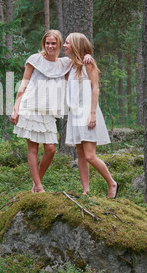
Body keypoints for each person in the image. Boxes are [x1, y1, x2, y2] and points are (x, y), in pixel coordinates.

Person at [10, 29, 92, 193]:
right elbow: (24, 84)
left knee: (51, 149)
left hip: (48, 112)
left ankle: (35, 184)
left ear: (60, 44)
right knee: (33, 148)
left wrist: (88, 55)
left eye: (54, 43)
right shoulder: (35, 60)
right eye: (47, 43)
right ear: (43, 43)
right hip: (30, 107)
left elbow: (80, 59)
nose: (50, 46)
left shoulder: (64, 64)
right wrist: (15, 108)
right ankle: (39, 187)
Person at [63, 33, 119, 199]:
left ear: (75, 45)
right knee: (80, 155)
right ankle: (86, 190)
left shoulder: (89, 64)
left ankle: (112, 183)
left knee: (89, 155)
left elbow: (96, 88)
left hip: (88, 112)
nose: (64, 46)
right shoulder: (70, 66)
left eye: (67, 43)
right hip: (75, 114)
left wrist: (92, 114)